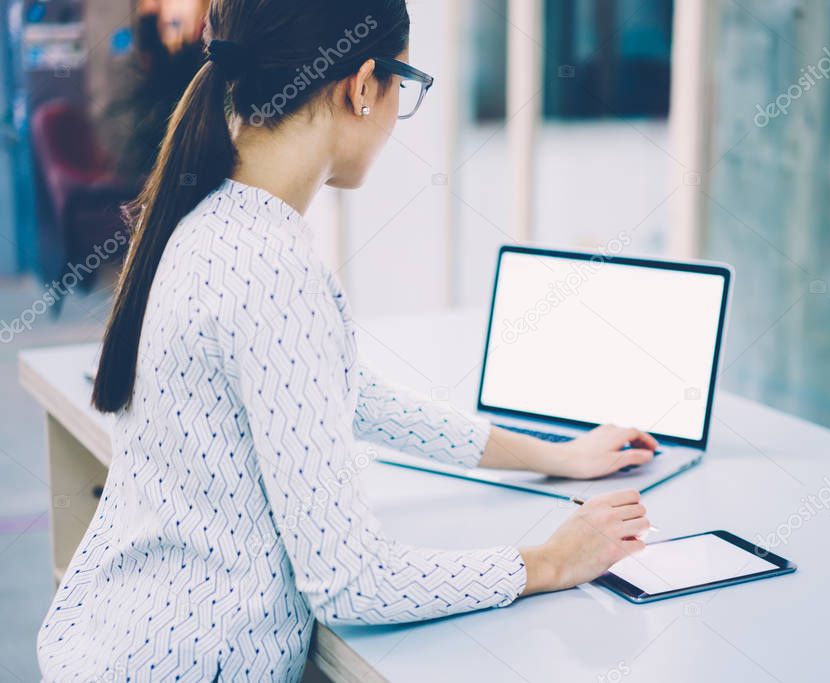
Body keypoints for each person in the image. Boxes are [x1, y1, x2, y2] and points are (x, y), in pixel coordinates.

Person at [37, 1, 654, 680]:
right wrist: (550, 561)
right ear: (362, 86)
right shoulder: (274, 268)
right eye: (403, 88)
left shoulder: (207, 218)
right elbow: (349, 580)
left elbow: (350, 392)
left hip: (116, 643)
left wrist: (555, 455)